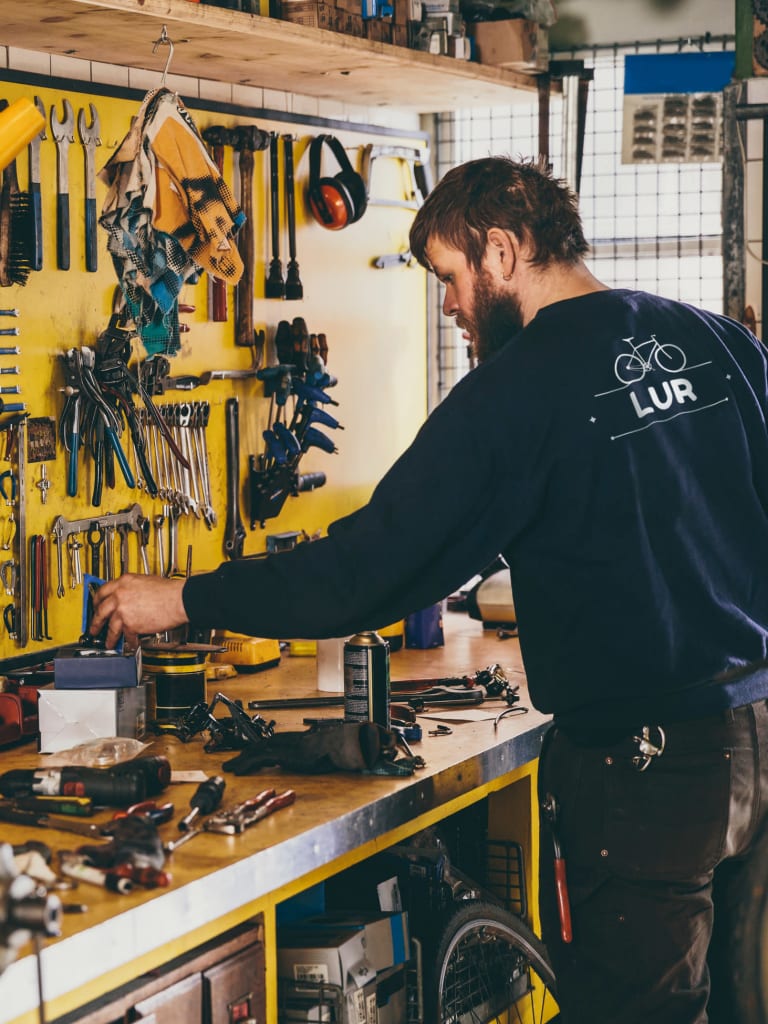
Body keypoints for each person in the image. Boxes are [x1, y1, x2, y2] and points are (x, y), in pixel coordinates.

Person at [91, 156, 768, 1023]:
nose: (449, 307)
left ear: (500, 250)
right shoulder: (717, 343)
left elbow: (363, 573)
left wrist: (184, 598)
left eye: (450, 277)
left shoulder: (514, 394)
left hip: (647, 775)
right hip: (754, 740)